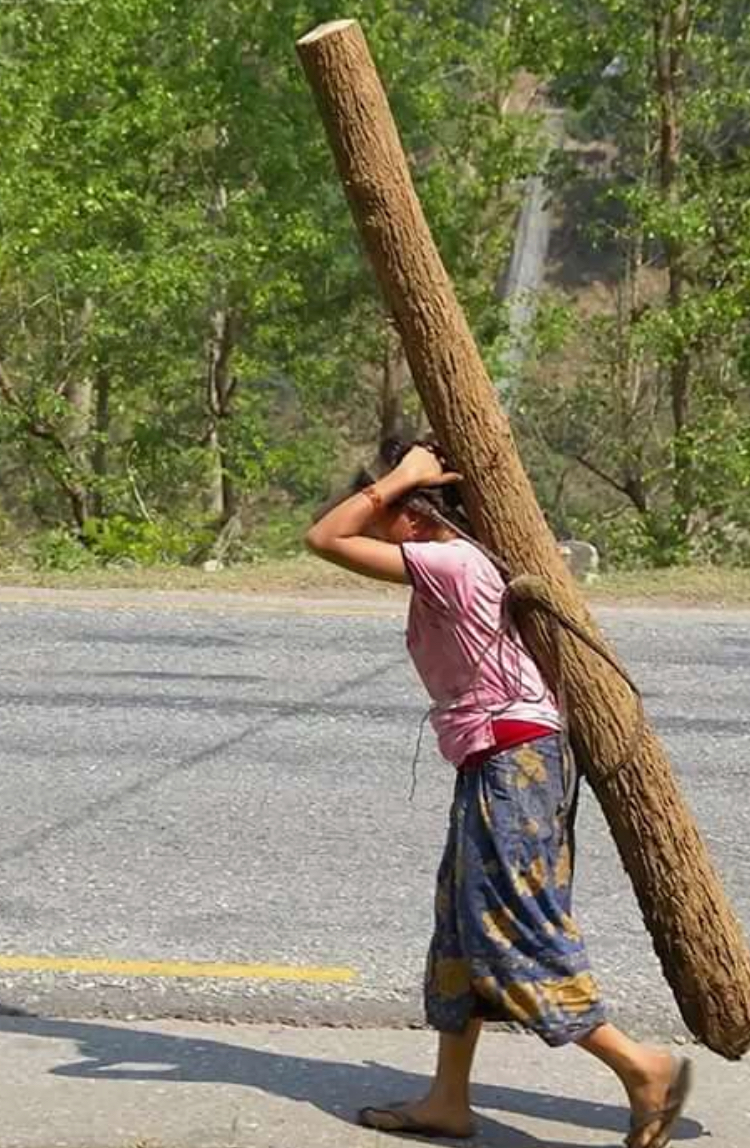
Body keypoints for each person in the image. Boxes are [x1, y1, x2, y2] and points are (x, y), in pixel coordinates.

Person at [305, 441, 693, 1147]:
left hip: (513, 762)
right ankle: (447, 1100)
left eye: (385, 504)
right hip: (498, 760)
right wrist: (401, 485)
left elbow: (325, 538)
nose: (373, 513)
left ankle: (644, 1067)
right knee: (460, 927)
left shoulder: (451, 562)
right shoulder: (447, 564)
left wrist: (402, 477)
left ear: (416, 513)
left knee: (511, 930)